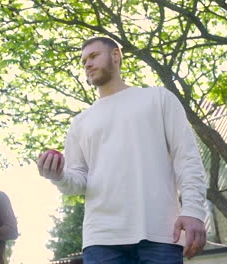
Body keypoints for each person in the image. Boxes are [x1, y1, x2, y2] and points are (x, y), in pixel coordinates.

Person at [38, 37, 207, 263]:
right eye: (83, 61)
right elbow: (77, 181)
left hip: (160, 233)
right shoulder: (80, 122)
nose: (87, 64)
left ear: (116, 56)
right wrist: (57, 177)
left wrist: (194, 211)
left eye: (93, 56)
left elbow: (187, 159)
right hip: (101, 240)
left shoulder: (158, 98)